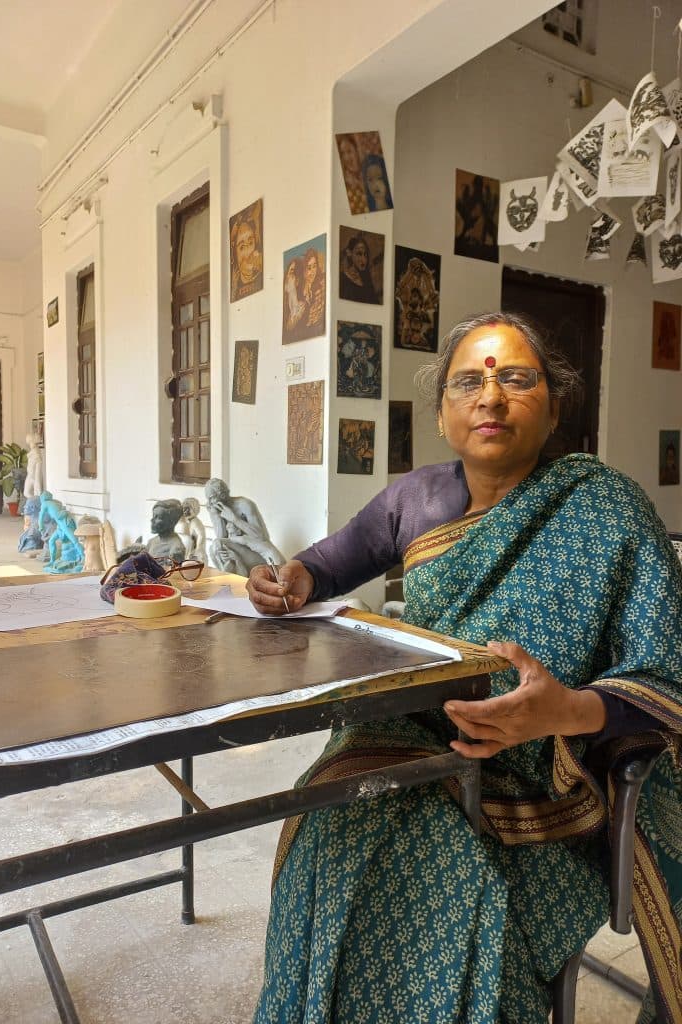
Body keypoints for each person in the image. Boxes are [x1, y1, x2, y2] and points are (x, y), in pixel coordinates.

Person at [246, 312, 682, 1023]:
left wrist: (567, 710)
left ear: (555, 408)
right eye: (468, 382)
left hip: (544, 793)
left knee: (437, 890)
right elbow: (331, 561)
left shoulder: (609, 508)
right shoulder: (415, 498)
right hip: (400, 744)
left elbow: (668, 675)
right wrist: (293, 576)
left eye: (517, 378)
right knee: (330, 839)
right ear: (442, 413)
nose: (492, 397)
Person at [205, 478, 285, 576]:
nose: (209, 503)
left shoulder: (244, 504)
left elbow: (261, 537)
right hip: (243, 549)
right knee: (214, 548)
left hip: (259, 554)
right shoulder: (217, 508)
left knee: (218, 546)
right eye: (208, 499)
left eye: (212, 498)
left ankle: (235, 578)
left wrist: (235, 519)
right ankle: (230, 579)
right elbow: (222, 538)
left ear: (222, 495)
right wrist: (216, 516)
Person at [117, 499, 186, 563]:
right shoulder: (152, 541)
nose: (152, 520)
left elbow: (171, 571)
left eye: (158, 517)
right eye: (153, 516)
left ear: (171, 522)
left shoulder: (176, 548)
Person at [230, 212, 263, 301]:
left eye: (251, 243)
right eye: (242, 247)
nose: (248, 252)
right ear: (234, 254)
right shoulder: (234, 289)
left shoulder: (260, 275)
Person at [339, 234, 379, 304]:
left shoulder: (367, 280)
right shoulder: (341, 278)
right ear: (349, 253)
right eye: (359, 254)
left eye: (365, 255)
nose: (363, 259)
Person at [23, 432, 44, 500]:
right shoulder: (32, 452)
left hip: (34, 476)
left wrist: (37, 479)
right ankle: (34, 502)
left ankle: (36, 502)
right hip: (29, 475)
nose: (30, 445)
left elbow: (38, 467)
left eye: (30, 442)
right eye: (29, 443)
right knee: (26, 492)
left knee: (37, 493)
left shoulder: (36, 453)